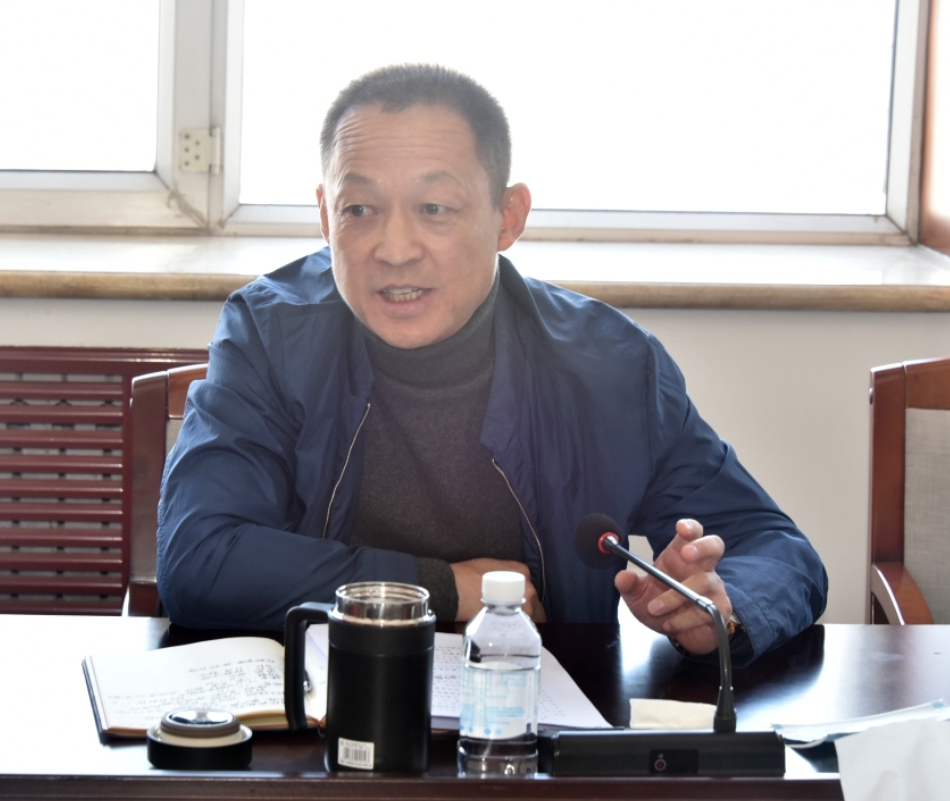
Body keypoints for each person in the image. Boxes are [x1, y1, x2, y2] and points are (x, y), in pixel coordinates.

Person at [157, 64, 827, 664]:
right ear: (327, 219)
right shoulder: (271, 336)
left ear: (508, 217)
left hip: (535, 720)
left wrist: (718, 608)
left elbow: (775, 547)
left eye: (434, 209)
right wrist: (444, 588)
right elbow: (198, 559)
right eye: (359, 209)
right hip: (331, 712)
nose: (394, 248)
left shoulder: (611, 367)